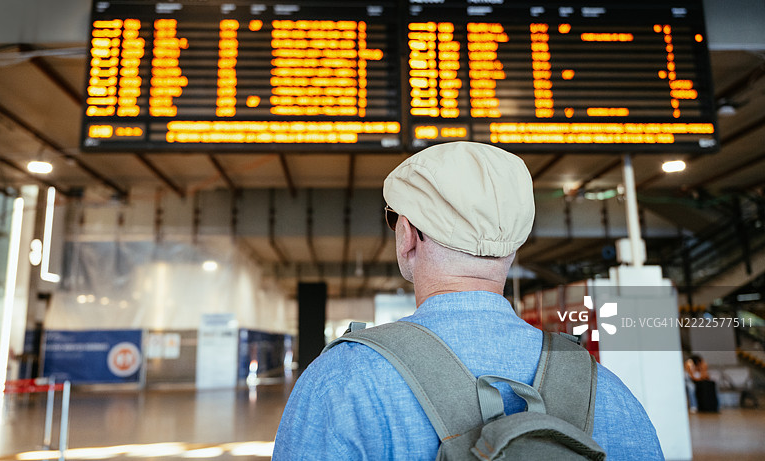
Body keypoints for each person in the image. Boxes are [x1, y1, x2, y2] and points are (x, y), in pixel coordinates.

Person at [273, 141, 664, 460]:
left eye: (395, 219)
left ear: (407, 235)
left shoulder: (343, 380)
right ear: (513, 245)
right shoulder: (602, 387)